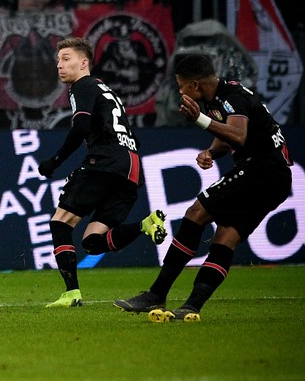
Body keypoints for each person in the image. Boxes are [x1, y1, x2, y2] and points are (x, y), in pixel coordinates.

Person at [114, 53, 292, 322]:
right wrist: (211, 151)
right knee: (226, 236)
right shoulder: (216, 99)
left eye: (181, 84)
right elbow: (228, 136)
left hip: (262, 170)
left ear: (195, 84)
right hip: (274, 178)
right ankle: (192, 306)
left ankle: (157, 293)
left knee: (196, 213)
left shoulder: (231, 96)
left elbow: (239, 135)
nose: (180, 90)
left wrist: (199, 119)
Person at [38, 37, 166, 308]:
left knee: (60, 223)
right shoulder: (105, 90)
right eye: (58, 60)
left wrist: (55, 161)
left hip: (107, 161)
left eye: (66, 59)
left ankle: (71, 293)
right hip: (131, 166)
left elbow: (82, 126)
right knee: (93, 242)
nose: (59, 65)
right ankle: (146, 224)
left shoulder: (82, 86)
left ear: (84, 63)